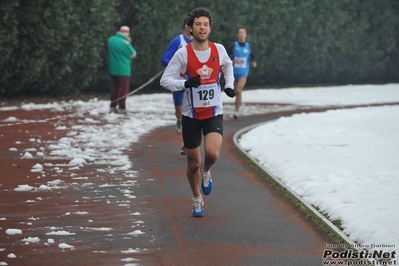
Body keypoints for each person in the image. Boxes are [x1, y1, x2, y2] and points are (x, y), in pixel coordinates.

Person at [160, 7, 235, 217]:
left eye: (205, 24)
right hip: (191, 115)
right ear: (191, 28)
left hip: (213, 112)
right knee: (192, 162)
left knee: (212, 154)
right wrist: (185, 83)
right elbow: (165, 80)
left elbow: (228, 66)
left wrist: (228, 84)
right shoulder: (183, 53)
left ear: (210, 29)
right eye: (198, 24)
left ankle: (207, 171)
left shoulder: (218, 49)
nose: (202, 28)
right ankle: (196, 199)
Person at [161, 18, 194, 155]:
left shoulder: (200, 43)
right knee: (180, 113)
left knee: (191, 114)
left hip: (192, 84)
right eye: (188, 25)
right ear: (185, 27)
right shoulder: (177, 41)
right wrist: (176, 64)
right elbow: (164, 59)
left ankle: (186, 143)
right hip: (178, 83)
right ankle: (179, 119)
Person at [227, 26, 257, 119]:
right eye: (240, 32)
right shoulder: (233, 45)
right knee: (236, 92)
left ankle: (236, 111)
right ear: (237, 35)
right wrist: (232, 59)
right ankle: (236, 108)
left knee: (239, 91)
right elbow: (225, 55)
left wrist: (254, 62)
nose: (241, 34)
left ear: (246, 35)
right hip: (233, 72)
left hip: (243, 72)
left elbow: (253, 56)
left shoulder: (249, 46)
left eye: (243, 32)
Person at [107, 26, 137, 114]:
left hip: (112, 68)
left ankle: (113, 105)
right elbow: (133, 54)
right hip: (124, 69)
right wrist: (129, 42)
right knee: (123, 89)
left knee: (114, 88)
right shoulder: (126, 43)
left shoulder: (110, 40)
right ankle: (121, 106)